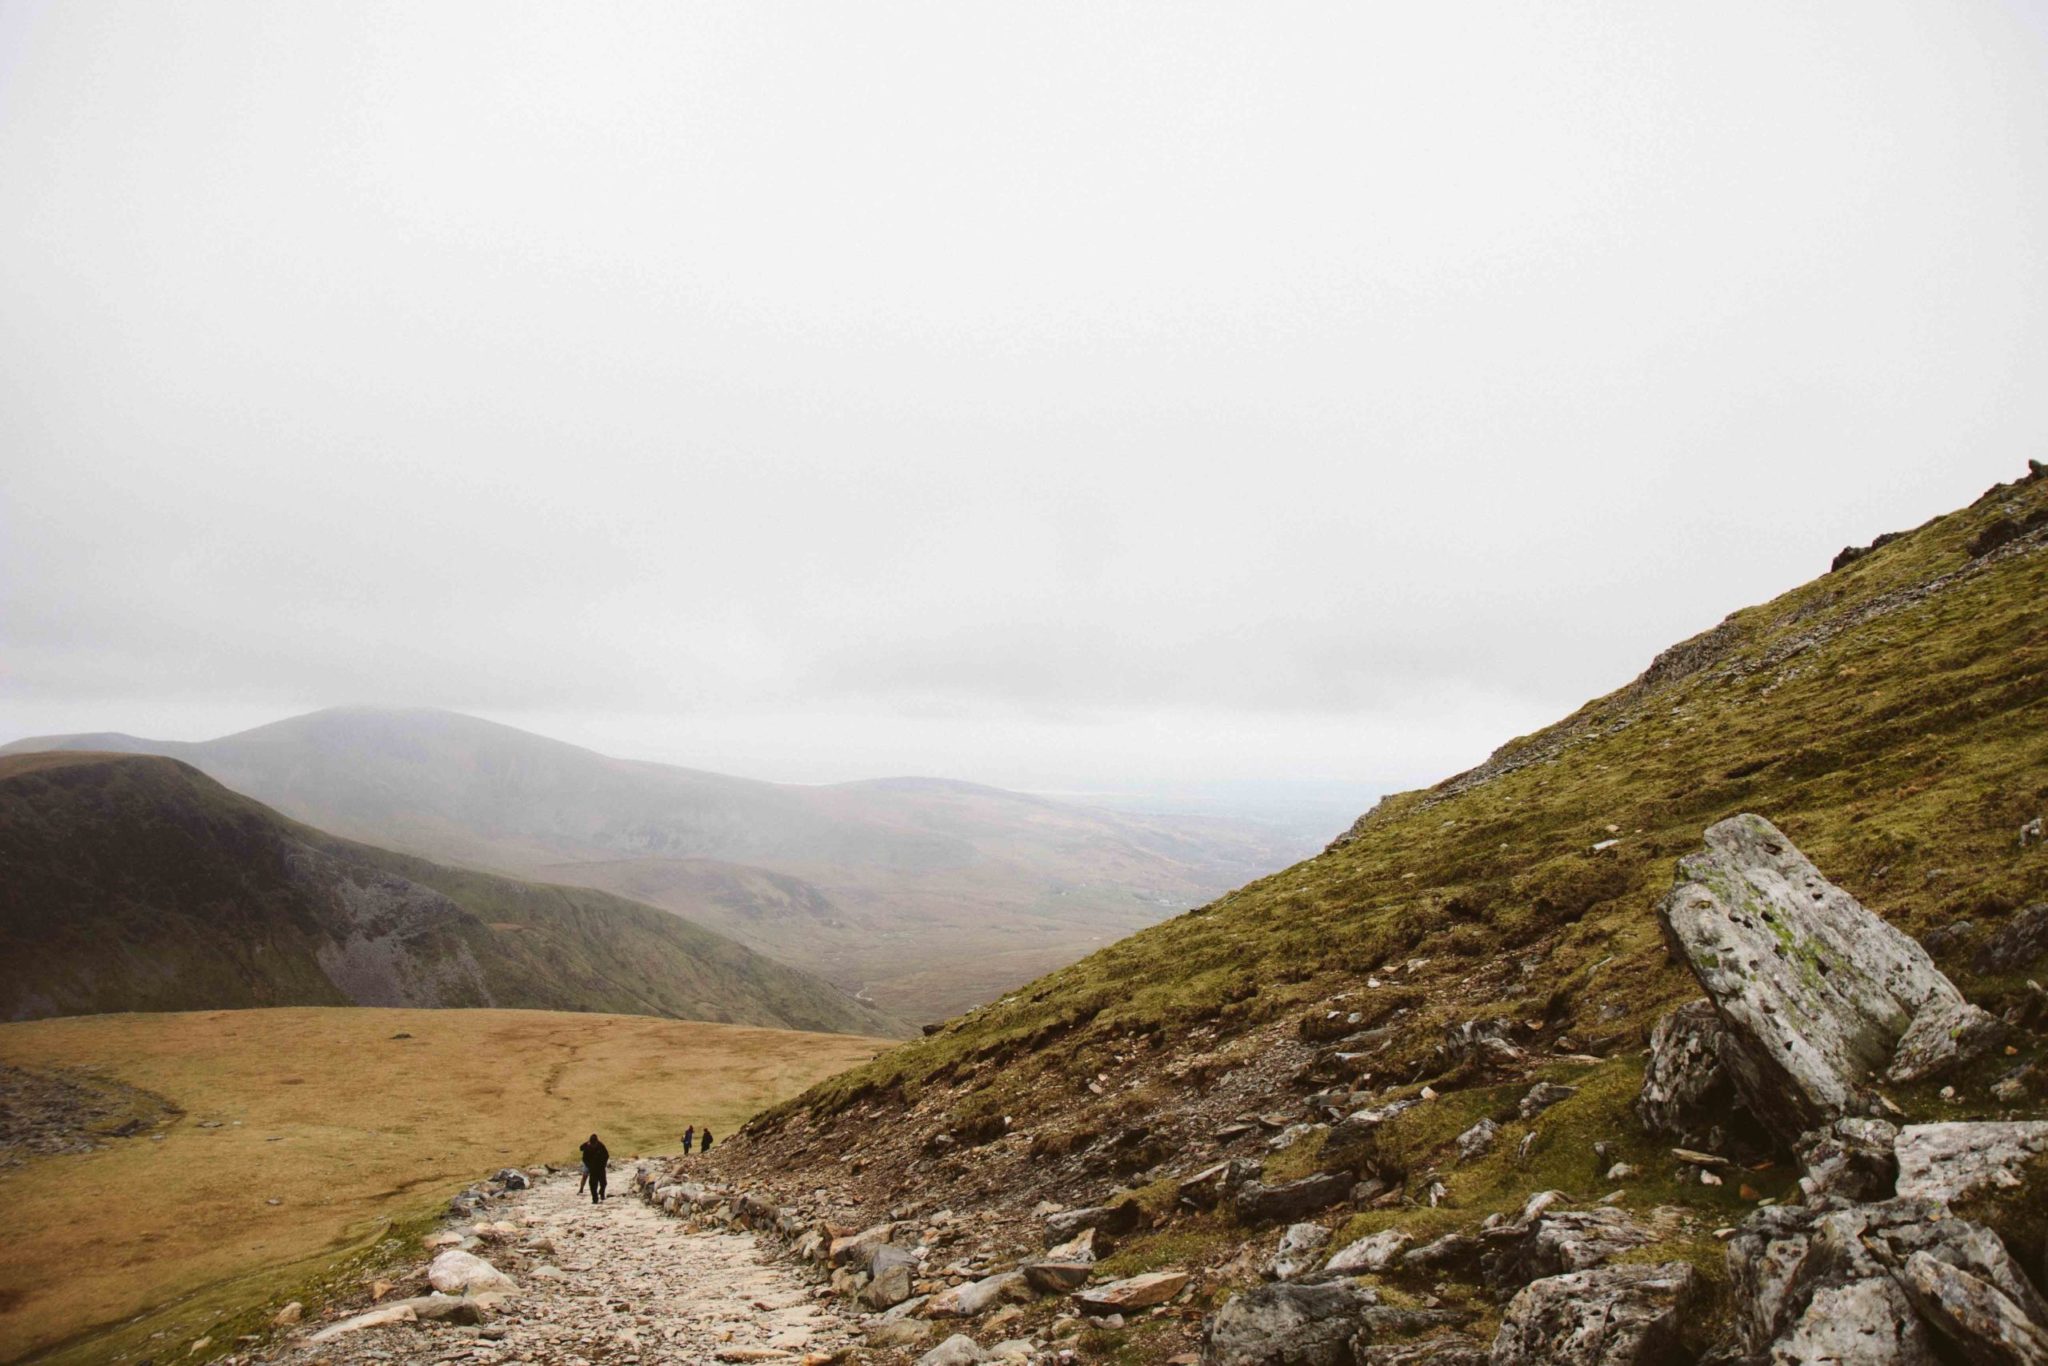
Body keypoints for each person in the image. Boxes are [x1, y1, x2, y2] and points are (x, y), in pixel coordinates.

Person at [579, 1132, 609, 1203]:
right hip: (592, 1168)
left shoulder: (601, 1145)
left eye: (594, 1144)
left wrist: (603, 1164)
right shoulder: (587, 1146)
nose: (593, 1145)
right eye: (592, 1144)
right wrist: (589, 1166)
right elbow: (584, 1158)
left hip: (601, 1168)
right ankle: (595, 1199)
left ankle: (601, 1193)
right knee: (592, 1184)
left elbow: (606, 1155)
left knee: (603, 1183)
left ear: (596, 1142)